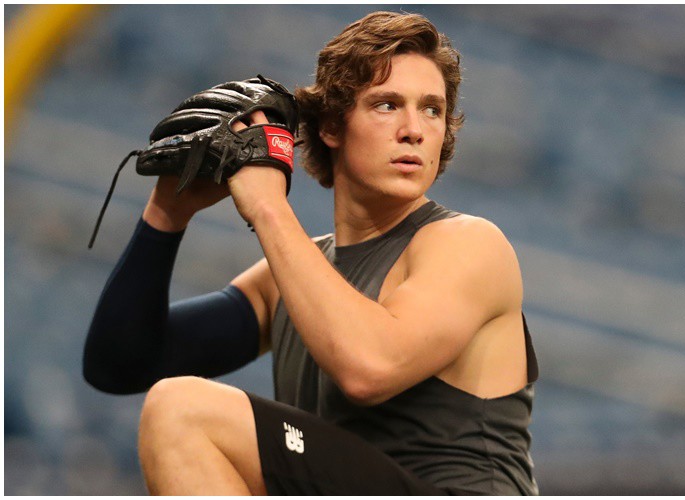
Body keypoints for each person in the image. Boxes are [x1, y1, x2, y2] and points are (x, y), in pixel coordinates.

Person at [84, 10, 539, 496]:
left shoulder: (469, 243)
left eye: (432, 109)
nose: (415, 129)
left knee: (183, 411)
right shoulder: (290, 277)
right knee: (174, 409)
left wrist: (268, 206)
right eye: (387, 105)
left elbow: (370, 368)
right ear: (331, 126)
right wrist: (166, 215)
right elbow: (120, 364)